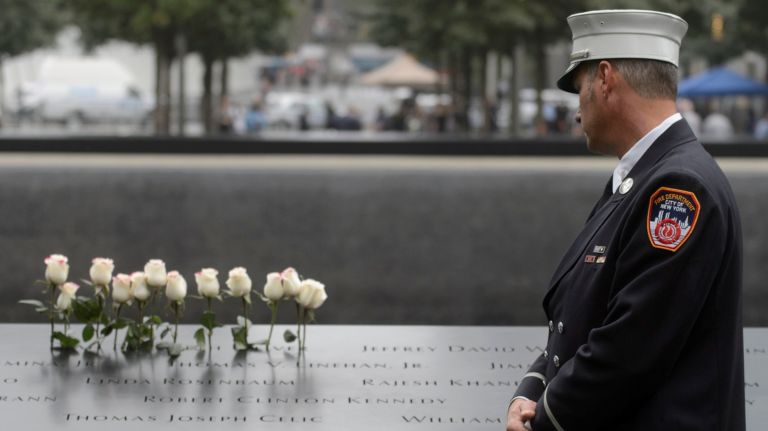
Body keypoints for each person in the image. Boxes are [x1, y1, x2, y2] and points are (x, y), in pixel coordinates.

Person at [506, 10, 744, 431]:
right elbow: (580, 319)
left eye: (579, 89)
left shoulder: (678, 188)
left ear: (604, 79)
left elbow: (631, 347)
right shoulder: (640, 177)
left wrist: (544, 419)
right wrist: (531, 389)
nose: (577, 109)